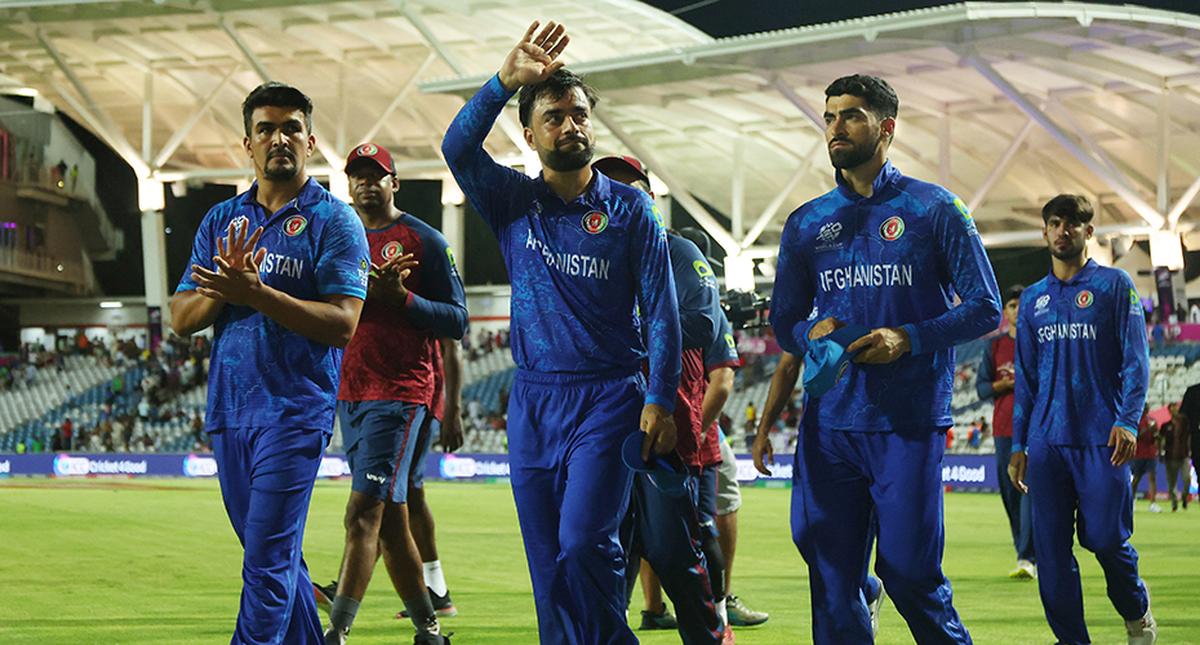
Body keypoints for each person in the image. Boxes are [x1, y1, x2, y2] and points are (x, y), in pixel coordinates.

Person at [441, 21, 680, 644]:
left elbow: (661, 311)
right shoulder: (513, 203)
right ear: (530, 133)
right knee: (548, 568)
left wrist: (658, 398)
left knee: (583, 542)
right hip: (534, 401)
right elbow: (457, 150)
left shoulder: (630, 211)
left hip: (609, 396)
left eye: (579, 115)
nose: (570, 126)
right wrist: (501, 82)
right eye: (554, 116)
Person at [762, 73, 998, 644]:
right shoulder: (807, 222)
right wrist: (807, 330)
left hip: (907, 420)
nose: (835, 127)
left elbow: (986, 307)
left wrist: (908, 338)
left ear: (886, 127)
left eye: (850, 115)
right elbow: (782, 322)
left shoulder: (936, 208)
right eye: (829, 116)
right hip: (829, 424)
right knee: (830, 568)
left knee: (910, 569)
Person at [170, 81, 370, 645]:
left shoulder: (335, 221)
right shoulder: (221, 220)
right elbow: (182, 317)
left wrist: (257, 294)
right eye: (266, 129)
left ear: (310, 141)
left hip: (294, 411)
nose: (279, 138)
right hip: (230, 412)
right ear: (248, 145)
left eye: (290, 128)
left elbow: (343, 323)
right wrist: (227, 290)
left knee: (265, 562)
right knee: (277, 558)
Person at [317, 142, 466, 645]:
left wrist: (401, 299)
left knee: (362, 513)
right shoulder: (339, 235)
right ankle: (429, 630)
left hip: (401, 393)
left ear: (394, 183)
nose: (365, 183)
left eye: (375, 175)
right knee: (392, 519)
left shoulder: (423, 240)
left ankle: (334, 632)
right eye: (357, 175)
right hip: (350, 392)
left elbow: (458, 320)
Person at [1009, 194, 1156, 645]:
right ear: (1045, 232)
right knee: (1052, 555)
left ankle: (1137, 614)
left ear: (1088, 232)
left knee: (1107, 541)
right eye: (1054, 223)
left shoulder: (1115, 287)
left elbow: (1136, 361)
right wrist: (1019, 445)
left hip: (1102, 441)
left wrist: (1128, 420)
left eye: (1072, 224)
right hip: (1048, 443)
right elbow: (1027, 382)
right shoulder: (1033, 300)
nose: (1062, 231)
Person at [595, 154, 727, 644]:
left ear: (651, 198)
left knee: (673, 550)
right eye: (613, 188)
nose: (625, 197)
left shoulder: (678, 250)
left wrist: (618, 328)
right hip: (601, 421)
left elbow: (701, 323)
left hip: (665, 426)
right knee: (606, 551)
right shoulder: (594, 257)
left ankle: (709, 636)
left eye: (634, 188)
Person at [752, 351, 886, 636]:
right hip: (818, 433)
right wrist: (763, 430)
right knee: (805, 536)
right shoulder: (808, 310)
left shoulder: (870, 307)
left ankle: (857, 600)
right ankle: (866, 587)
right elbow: (788, 365)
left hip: (868, 431)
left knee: (838, 560)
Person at [976, 284, 1037, 579]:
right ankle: (1024, 552)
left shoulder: (1038, 340)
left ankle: (1028, 555)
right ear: (1005, 311)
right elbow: (982, 388)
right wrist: (1005, 385)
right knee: (1009, 494)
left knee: (1029, 490)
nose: (1017, 309)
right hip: (1003, 429)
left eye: (1022, 303)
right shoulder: (995, 346)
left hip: (1035, 428)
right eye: (1012, 305)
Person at [1129, 405, 1162, 513]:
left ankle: (1153, 503)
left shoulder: (1152, 421)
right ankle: (1132, 501)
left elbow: (1156, 437)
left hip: (1151, 454)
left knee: (1152, 477)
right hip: (1138, 454)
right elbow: (1134, 437)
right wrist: (1147, 430)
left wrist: (1156, 434)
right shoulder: (1135, 421)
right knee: (1136, 479)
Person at [1160, 402, 1189, 512]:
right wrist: (1161, 452)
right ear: (1169, 411)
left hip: (1183, 455)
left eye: (1176, 408)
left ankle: (1185, 497)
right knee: (1172, 482)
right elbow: (1161, 440)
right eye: (1172, 409)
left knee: (1187, 479)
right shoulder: (1165, 425)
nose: (1174, 410)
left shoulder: (1185, 423)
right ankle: (1174, 503)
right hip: (1170, 456)